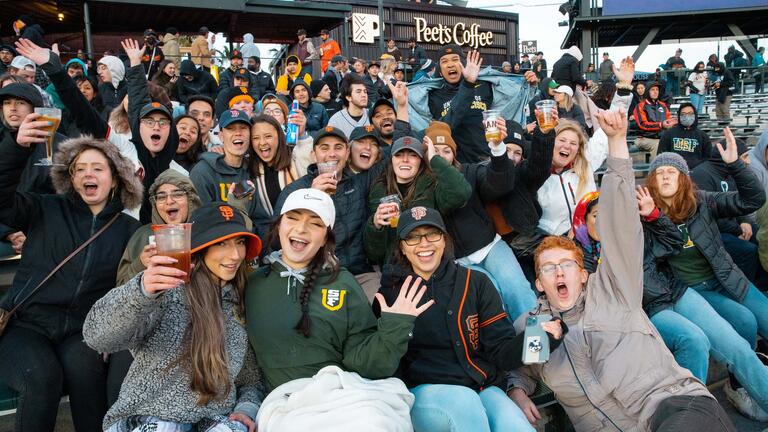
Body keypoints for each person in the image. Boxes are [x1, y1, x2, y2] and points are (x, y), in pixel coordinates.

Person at [508, 108, 737, 432]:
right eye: (548, 268)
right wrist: (516, 389)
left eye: (566, 264)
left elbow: (625, 228)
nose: (558, 273)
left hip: (671, 408)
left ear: (584, 273)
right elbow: (528, 368)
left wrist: (617, 145)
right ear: (539, 284)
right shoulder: (536, 325)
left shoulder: (612, 289)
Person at [246, 188, 426, 429]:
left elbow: (366, 365)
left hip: (343, 392)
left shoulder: (341, 281)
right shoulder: (251, 282)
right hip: (286, 402)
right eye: (293, 217)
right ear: (279, 225)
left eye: (315, 223)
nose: (301, 229)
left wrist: (396, 326)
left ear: (325, 238)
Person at [0, 133, 142, 432]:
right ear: (71, 178)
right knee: (41, 376)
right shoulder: (45, 208)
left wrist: (111, 331)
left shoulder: (130, 230)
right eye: (79, 168)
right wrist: (17, 148)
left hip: (82, 330)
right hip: (27, 325)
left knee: (87, 370)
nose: (88, 174)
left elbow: (131, 287)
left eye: (98, 168)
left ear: (115, 179)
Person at [84, 202, 265, 432]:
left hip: (213, 420)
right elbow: (96, 336)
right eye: (221, 243)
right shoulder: (167, 287)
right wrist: (142, 290)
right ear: (201, 247)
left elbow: (249, 378)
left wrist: (246, 409)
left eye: (240, 242)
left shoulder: (239, 301)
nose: (236, 254)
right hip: (151, 417)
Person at [646, 147, 768, 421]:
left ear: (683, 178)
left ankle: (742, 383)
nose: (665, 177)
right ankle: (738, 385)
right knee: (745, 322)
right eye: (659, 172)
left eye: (672, 172)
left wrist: (736, 165)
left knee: (761, 317)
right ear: (652, 181)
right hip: (692, 290)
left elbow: (753, 199)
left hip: (725, 277)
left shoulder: (701, 200)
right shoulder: (645, 214)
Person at [426, 119, 537, 320]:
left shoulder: (469, 171)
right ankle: (507, 344)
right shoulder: (422, 186)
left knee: (518, 289)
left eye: (446, 151)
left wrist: (497, 149)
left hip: (489, 246)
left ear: (454, 153)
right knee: (492, 299)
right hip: (457, 259)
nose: (441, 156)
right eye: (436, 151)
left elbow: (500, 183)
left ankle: (535, 339)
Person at [276, 126, 387, 299]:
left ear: (347, 152)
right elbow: (276, 240)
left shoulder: (359, 182)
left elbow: (391, 157)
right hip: (314, 275)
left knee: (379, 306)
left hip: (359, 273)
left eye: (338, 147)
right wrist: (311, 197)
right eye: (324, 148)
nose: (332, 154)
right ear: (313, 154)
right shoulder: (296, 190)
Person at [364, 134, 471, 288]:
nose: (405, 160)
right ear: (391, 160)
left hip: (433, 264)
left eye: (413, 155)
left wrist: (434, 159)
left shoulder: (432, 184)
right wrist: (375, 225)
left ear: (421, 160)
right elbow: (374, 254)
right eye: (399, 155)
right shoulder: (379, 191)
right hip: (397, 271)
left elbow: (462, 193)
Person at [691, 138, 760, 283]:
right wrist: (737, 229)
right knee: (748, 251)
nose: (748, 161)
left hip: (733, 225)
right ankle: (743, 286)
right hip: (711, 230)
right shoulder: (701, 175)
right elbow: (707, 215)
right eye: (745, 156)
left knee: (761, 237)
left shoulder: (730, 173)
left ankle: (761, 283)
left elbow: (739, 201)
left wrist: (744, 221)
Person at [246, 114, 300, 239]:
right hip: (270, 239)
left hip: (298, 234)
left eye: (268, 136)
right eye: (255, 138)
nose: (262, 142)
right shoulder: (250, 168)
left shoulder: (296, 159)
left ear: (279, 136)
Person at [190, 109, 252, 203]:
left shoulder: (255, 169)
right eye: (231, 129)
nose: (238, 133)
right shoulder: (202, 172)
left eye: (243, 128)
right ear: (221, 136)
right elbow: (201, 215)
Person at [658, 103, 712, 169]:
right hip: (674, 172)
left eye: (690, 113)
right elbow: (661, 156)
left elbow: (708, 159)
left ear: (695, 115)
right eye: (683, 114)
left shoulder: (703, 136)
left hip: (696, 173)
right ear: (679, 116)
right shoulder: (669, 134)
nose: (687, 116)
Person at [634, 81, 675, 159]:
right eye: (652, 90)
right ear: (647, 91)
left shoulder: (663, 105)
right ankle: (656, 169)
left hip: (661, 137)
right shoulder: (640, 106)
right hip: (644, 138)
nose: (655, 92)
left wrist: (673, 122)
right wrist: (660, 125)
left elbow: (668, 119)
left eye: (657, 90)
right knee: (658, 144)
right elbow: (643, 124)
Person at [327, 74, 370, 139]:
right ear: (348, 97)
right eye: (358, 92)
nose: (364, 95)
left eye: (365, 91)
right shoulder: (335, 120)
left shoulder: (372, 115)